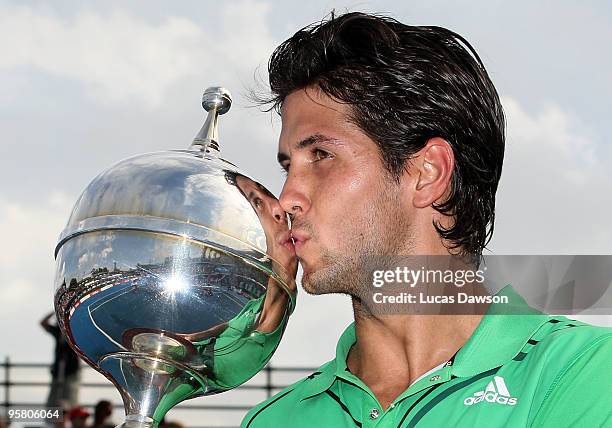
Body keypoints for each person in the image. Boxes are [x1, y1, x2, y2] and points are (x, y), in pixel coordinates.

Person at [240, 11, 612, 427]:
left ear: (427, 173)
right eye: (288, 165)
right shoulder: (273, 418)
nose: (288, 197)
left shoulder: (587, 374)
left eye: (322, 156)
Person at [41, 312, 81, 409]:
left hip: (72, 370)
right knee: (54, 397)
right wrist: (55, 311)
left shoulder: (75, 331)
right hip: (58, 370)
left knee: (70, 397)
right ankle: (52, 419)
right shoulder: (58, 331)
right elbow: (43, 323)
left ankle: (70, 417)